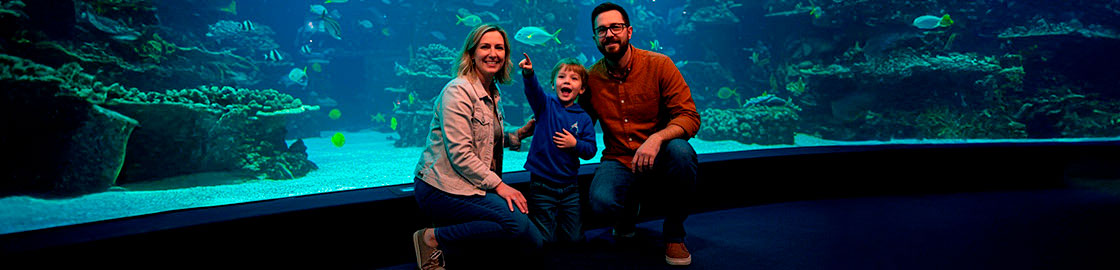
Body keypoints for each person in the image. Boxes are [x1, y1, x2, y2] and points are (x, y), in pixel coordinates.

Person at [579, 2, 701, 266]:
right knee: (600, 202)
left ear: (629, 31)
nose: (609, 34)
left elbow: (689, 116)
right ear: (594, 38)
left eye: (615, 27)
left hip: (660, 154)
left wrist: (656, 138)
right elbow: (576, 120)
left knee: (682, 153)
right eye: (602, 30)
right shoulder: (591, 79)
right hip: (619, 158)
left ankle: (675, 235)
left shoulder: (660, 65)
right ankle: (627, 211)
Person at [411, 23, 540, 270]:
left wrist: (518, 135)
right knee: (516, 225)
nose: (493, 53)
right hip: (441, 187)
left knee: (533, 241)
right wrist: (501, 187)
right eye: (485, 47)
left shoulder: (492, 90)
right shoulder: (457, 91)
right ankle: (430, 238)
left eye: (499, 48)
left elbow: (484, 137)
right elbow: (460, 153)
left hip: (472, 184)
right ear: (471, 54)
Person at [517, 54, 597, 245]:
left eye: (574, 78)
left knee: (575, 239)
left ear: (582, 89)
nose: (567, 81)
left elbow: (591, 150)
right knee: (545, 239)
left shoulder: (584, 118)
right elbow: (533, 91)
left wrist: (575, 144)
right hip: (542, 186)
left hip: (570, 188)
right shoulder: (545, 105)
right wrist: (529, 74)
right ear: (553, 84)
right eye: (561, 77)